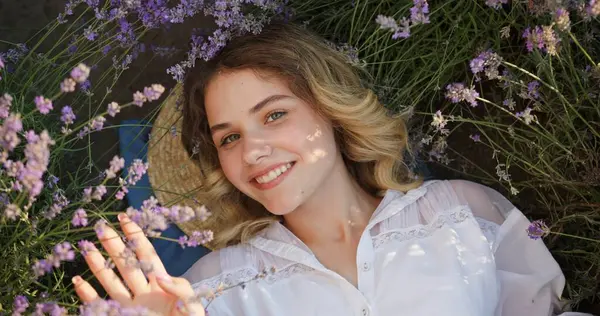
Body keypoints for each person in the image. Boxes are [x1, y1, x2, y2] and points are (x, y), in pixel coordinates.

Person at [73, 21, 582, 316]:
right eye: (229, 137)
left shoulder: (464, 212)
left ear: (330, 110)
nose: (251, 151)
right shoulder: (211, 289)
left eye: (274, 114)